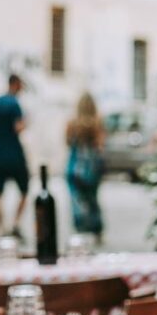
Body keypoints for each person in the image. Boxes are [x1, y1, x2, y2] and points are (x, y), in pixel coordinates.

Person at [0, 74, 29, 236]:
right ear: (16, 84)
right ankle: (15, 224)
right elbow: (18, 127)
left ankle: (2, 229)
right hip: (15, 154)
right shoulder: (14, 104)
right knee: (24, 190)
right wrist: (26, 122)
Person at [64, 92, 106, 241]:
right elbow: (100, 145)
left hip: (74, 167)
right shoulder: (97, 123)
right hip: (91, 168)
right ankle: (97, 230)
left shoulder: (72, 123)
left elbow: (68, 142)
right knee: (93, 199)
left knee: (76, 199)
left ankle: (80, 230)